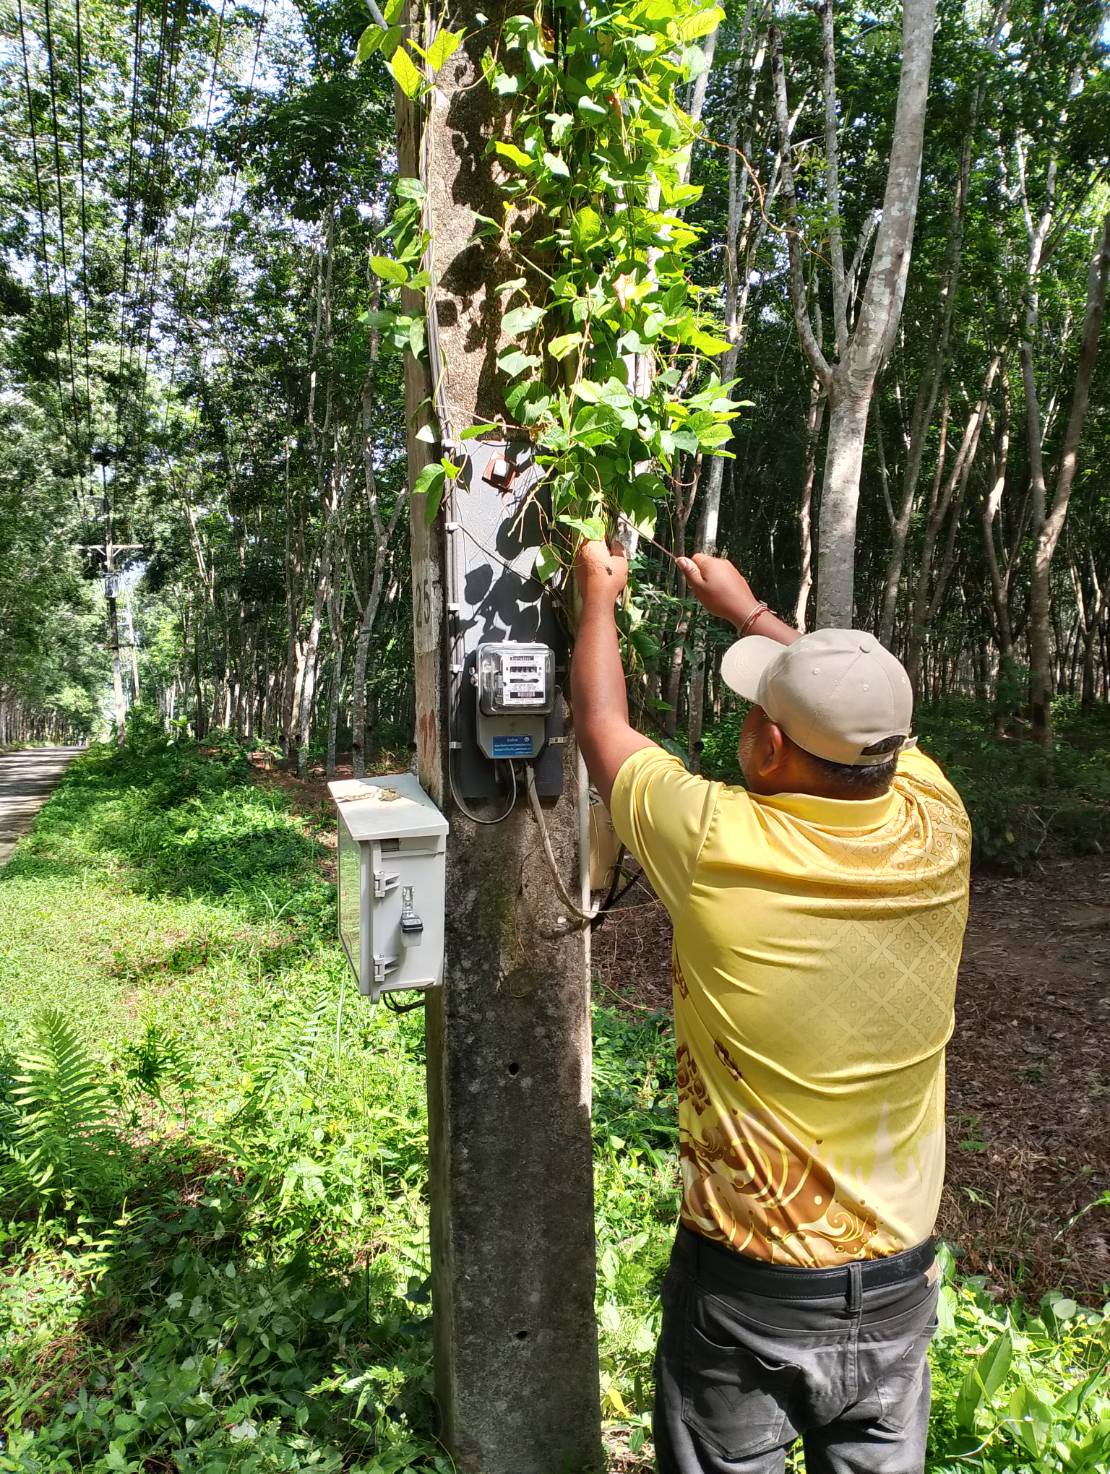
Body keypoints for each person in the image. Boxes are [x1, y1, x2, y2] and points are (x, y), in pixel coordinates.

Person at [570, 540, 972, 1474]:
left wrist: (597, 595)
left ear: (773, 743)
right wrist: (751, 615)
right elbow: (864, 726)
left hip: (748, 1293)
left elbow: (600, 729)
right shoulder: (937, 817)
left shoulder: (720, 840)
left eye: (759, 708)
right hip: (901, 1284)